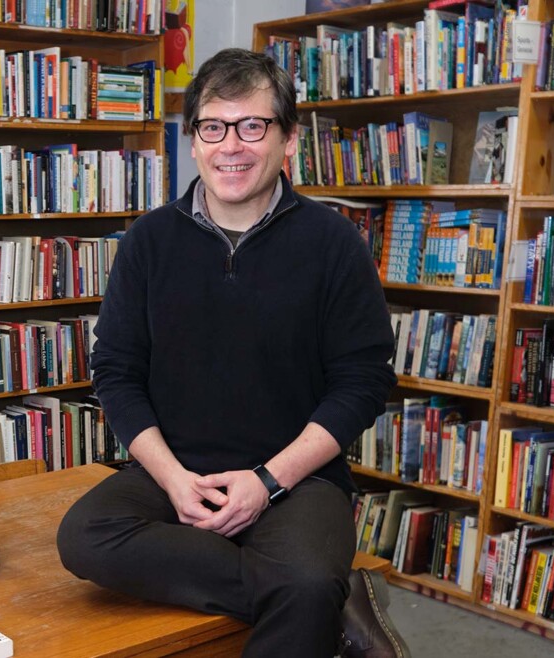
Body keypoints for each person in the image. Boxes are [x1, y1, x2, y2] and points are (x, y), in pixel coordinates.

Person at [55, 48, 410, 658]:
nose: (232, 146)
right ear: (193, 141)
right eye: (213, 127)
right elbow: (115, 372)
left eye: (253, 126)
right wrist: (173, 480)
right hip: (173, 470)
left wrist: (267, 481)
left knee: (304, 576)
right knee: (85, 537)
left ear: (289, 139)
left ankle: (310, 592)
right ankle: (328, 603)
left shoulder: (334, 245)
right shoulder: (149, 241)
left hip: (298, 480)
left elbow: (362, 382)